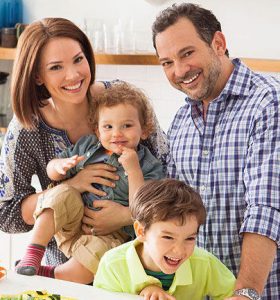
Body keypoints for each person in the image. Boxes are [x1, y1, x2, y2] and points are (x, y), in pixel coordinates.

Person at [0, 18, 168, 283]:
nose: (73, 75)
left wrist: (126, 215)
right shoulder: (26, 129)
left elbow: (170, 180)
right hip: (62, 273)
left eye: (78, 60)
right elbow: (6, 213)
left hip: (127, 267)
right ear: (37, 76)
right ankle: (35, 260)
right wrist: (72, 185)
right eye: (56, 67)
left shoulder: (123, 102)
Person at [152, 3, 280, 300]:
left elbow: (266, 207)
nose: (179, 71)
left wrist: (245, 292)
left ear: (218, 44)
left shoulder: (268, 102)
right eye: (167, 62)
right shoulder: (183, 118)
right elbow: (173, 213)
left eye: (187, 53)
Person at [15, 82, 164, 283]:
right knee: (61, 193)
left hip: (110, 235)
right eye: (108, 127)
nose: (117, 133)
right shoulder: (87, 147)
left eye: (127, 126)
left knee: (96, 256)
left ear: (144, 130)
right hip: (71, 221)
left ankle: (50, 273)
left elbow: (143, 209)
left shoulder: (149, 165)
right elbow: (52, 171)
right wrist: (59, 166)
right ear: (97, 131)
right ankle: (33, 253)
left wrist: (133, 169)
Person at [94, 178, 235, 299]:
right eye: (168, 237)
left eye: (190, 238)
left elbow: (234, 294)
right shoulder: (112, 265)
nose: (179, 251)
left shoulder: (204, 263)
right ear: (141, 231)